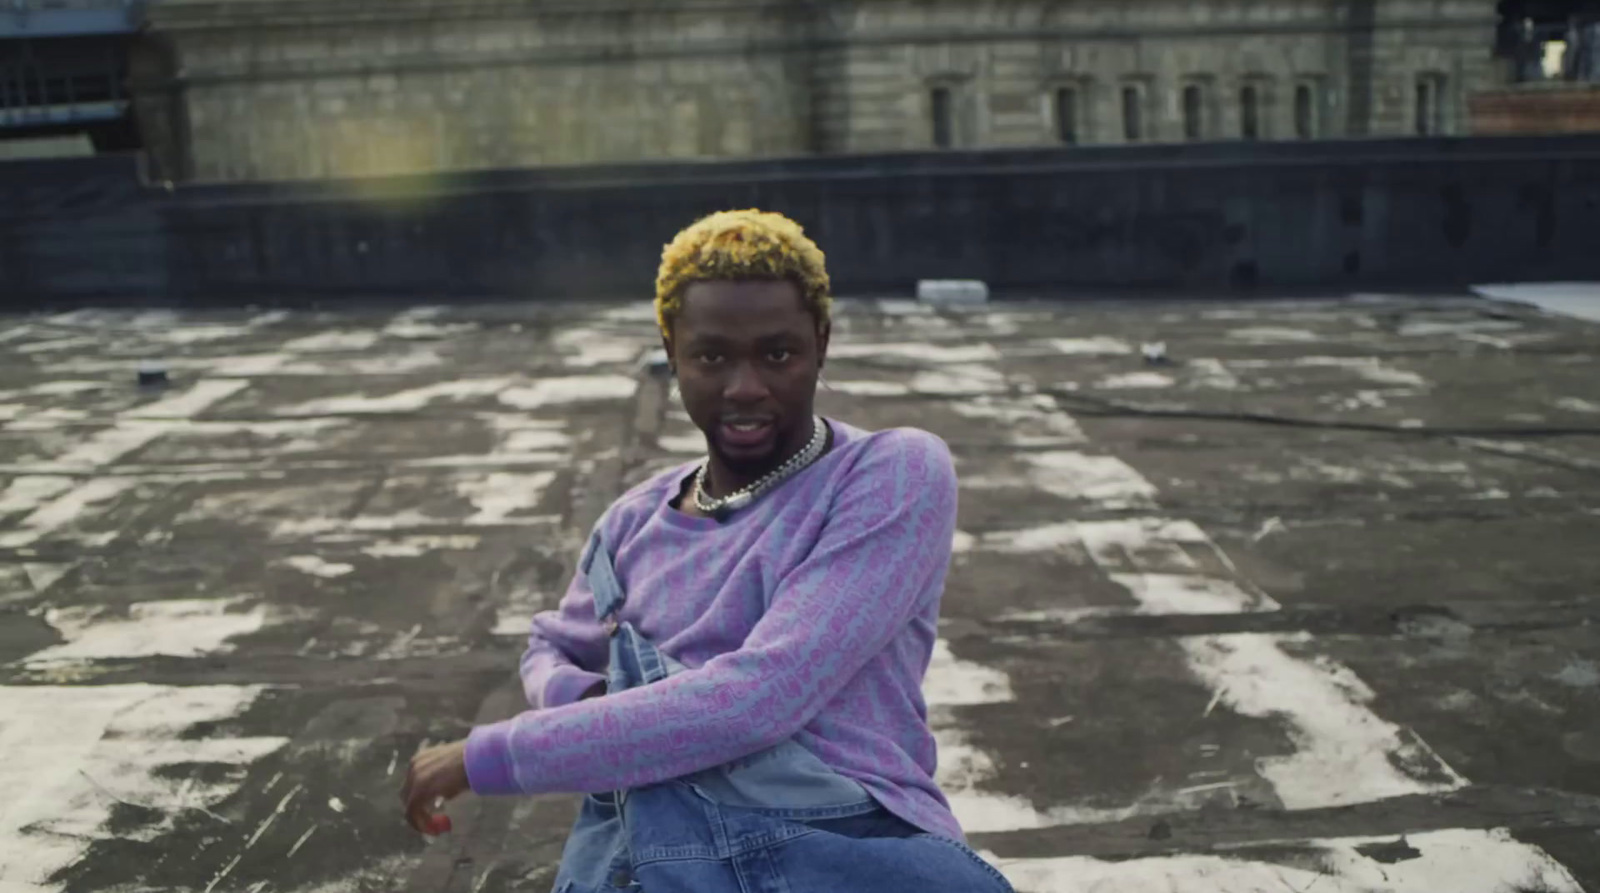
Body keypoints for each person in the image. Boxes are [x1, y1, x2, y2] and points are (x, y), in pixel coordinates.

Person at [401, 209, 1014, 892]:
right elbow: (550, 646)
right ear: (672, 351)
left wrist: (492, 753)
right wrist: (603, 699)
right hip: (648, 861)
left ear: (821, 342)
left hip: (842, 846)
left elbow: (760, 699)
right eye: (712, 355)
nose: (745, 386)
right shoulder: (629, 524)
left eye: (777, 353)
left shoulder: (890, 473)